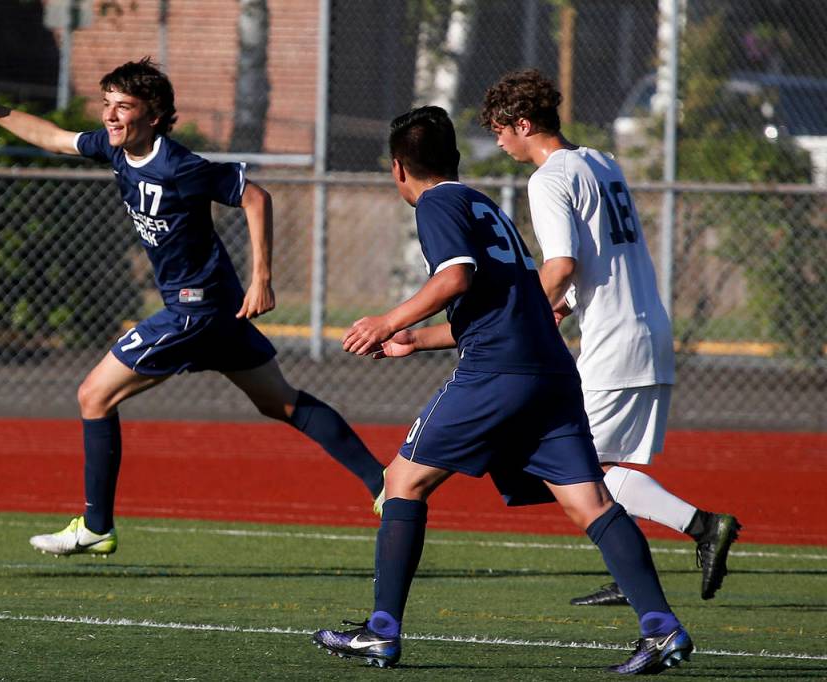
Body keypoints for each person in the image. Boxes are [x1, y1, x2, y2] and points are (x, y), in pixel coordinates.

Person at [0, 57, 385, 556]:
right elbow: (51, 136)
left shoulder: (181, 166)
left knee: (94, 395)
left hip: (195, 311)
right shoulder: (114, 151)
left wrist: (262, 277)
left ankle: (95, 527)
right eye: (108, 104)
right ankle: (382, 483)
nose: (110, 117)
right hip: (218, 312)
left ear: (154, 115)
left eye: (124, 107)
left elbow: (256, 197)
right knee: (279, 401)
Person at [311, 105, 693, 675]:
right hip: (551, 370)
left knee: (401, 481)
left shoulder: (437, 202)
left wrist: (385, 322)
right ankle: (662, 629)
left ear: (397, 169)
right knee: (590, 502)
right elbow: (501, 306)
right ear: (456, 157)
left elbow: (454, 277)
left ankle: (382, 632)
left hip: (497, 374)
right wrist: (419, 340)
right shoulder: (482, 203)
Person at [479, 68, 741, 605]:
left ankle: (699, 529)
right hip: (645, 331)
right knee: (585, 467)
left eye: (500, 129)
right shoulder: (602, 160)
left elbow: (560, 265)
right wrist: (564, 308)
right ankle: (642, 563)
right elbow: (599, 265)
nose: (498, 140)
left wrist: (512, 320)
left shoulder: (548, 178)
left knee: (565, 467)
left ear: (523, 124)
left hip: (615, 344)